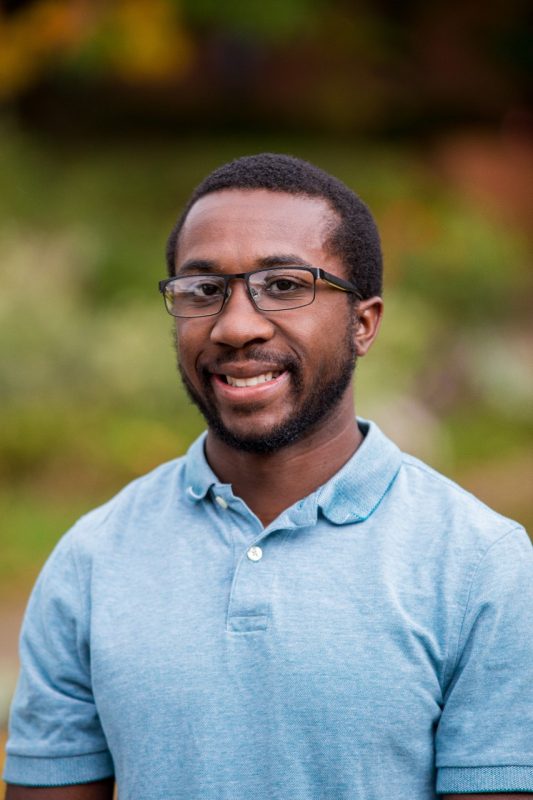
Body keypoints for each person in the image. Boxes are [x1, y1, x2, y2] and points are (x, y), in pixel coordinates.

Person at [3, 154, 533, 800]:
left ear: (362, 324)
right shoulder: (91, 562)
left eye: (283, 285)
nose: (235, 326)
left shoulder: (480, 566)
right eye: (202, 290)